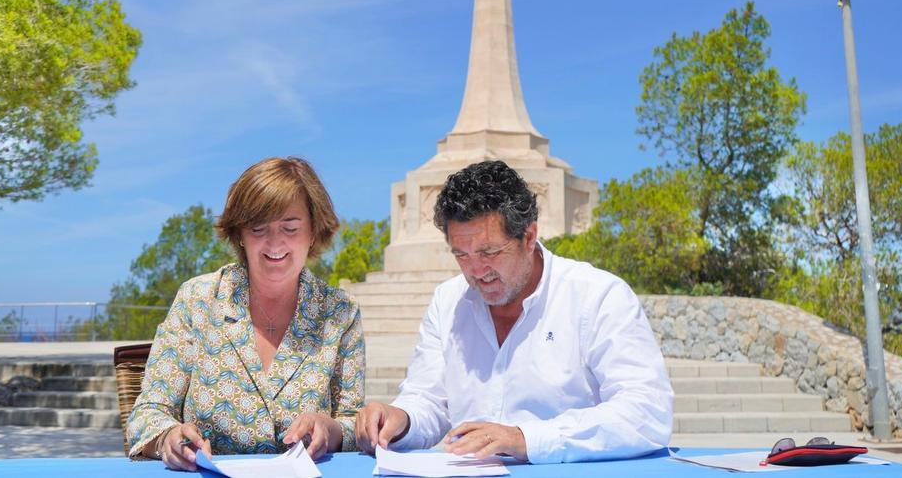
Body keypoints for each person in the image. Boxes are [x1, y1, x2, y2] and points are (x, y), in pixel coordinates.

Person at [356, 160, 673, 464]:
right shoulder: (447, 302)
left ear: (529, 237)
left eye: (489, 251)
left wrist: (526, 439)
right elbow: (429, 400)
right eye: (461, 255)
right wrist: (402, 418)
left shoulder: (598, 296)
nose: (476, 270)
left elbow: (646, 411)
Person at [126, 157, 365, 470]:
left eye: (290, 227)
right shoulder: (197, 299)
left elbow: (353, 423)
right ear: (239, 234)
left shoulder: (340, 312)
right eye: (258, 228)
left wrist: (331, 430)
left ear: (314, 231)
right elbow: (147, 414)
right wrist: (168, 438)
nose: (275, 243)